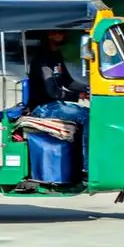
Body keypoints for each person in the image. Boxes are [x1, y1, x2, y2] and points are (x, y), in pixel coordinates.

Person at [27, 30, 91, 174]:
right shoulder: (42, 58)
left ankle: (81, 159)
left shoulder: (56, 55)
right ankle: (87, 167)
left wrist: (90, 88)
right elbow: (53, 92)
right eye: (59, 32)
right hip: (43, 107)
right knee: (85, 117)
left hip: (54, 104)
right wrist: (78, 95)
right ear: (49, 34)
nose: (63, 35)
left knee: (88, 113)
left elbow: (68, 81)